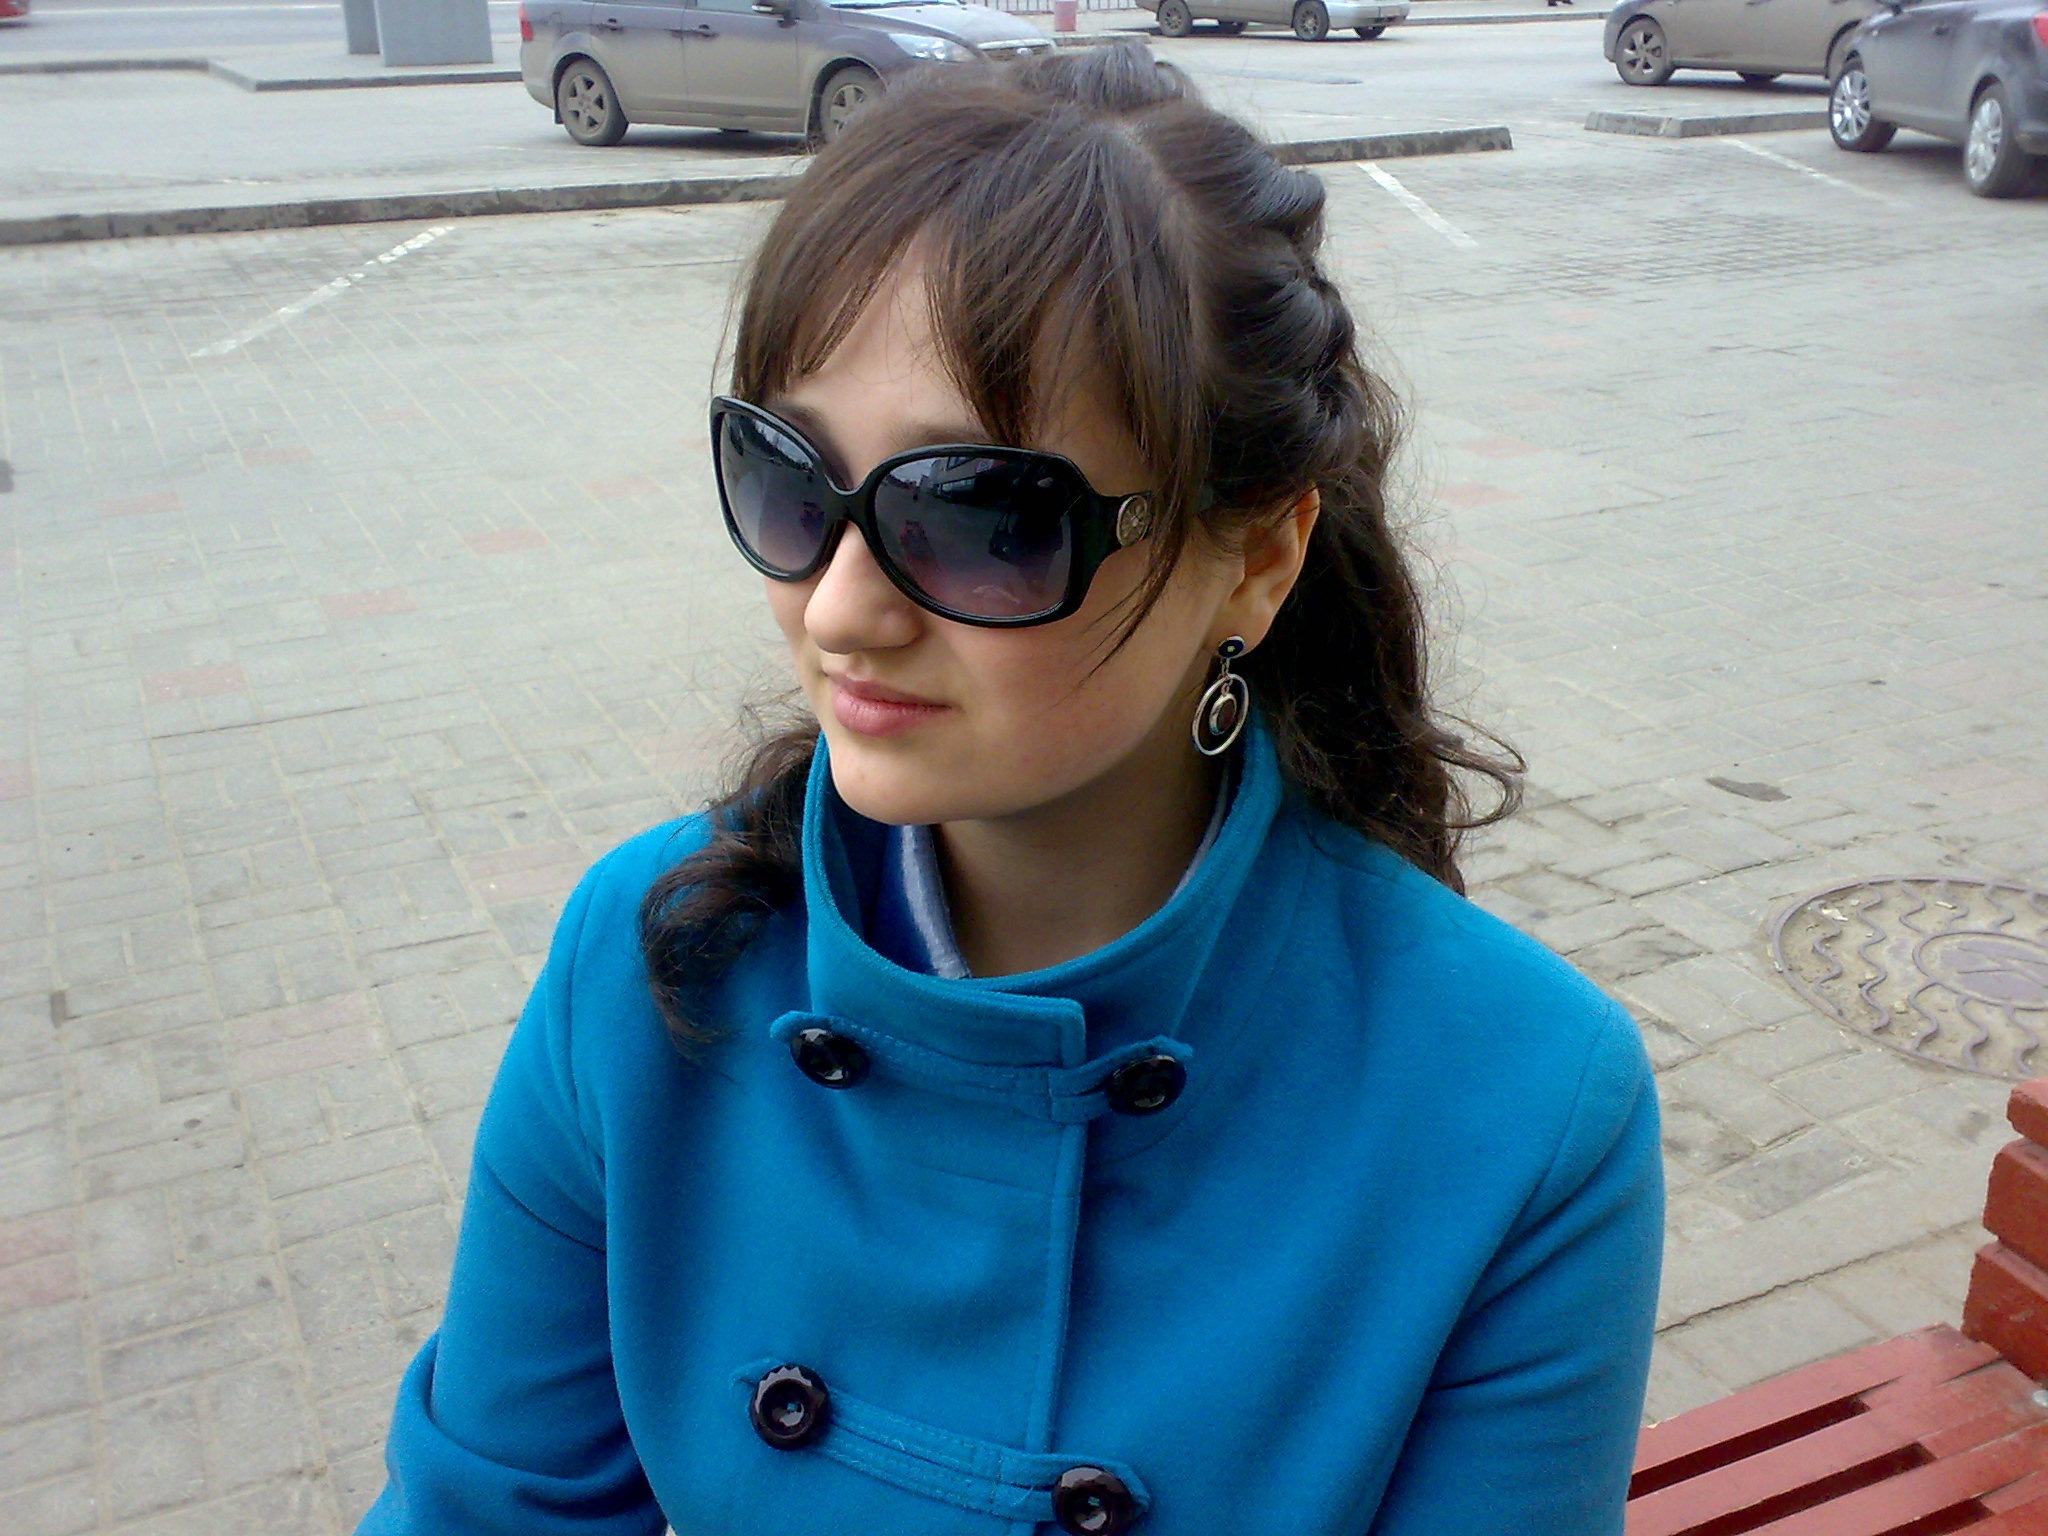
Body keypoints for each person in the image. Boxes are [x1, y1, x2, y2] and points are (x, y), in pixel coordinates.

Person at [358, 43, 1662, 1536]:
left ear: (1256, 556)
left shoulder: (1515, 1109)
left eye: (977, 515)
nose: (839, 608)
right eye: (789, 477)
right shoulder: (654, 967)